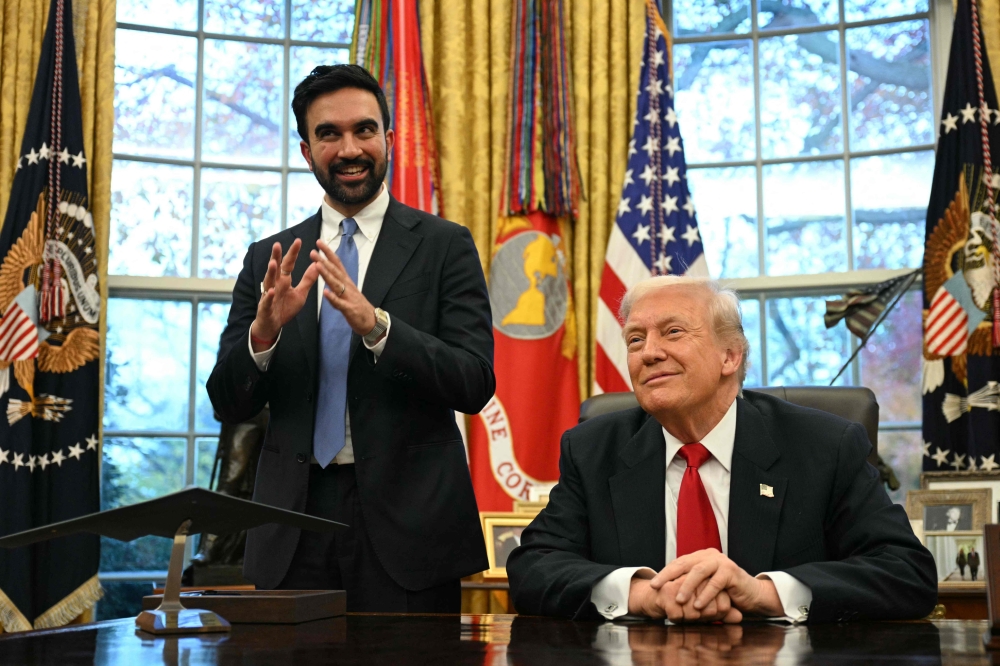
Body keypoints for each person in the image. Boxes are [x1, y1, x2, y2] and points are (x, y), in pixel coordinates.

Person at [207, 64, 495, 612]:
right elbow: (228, 401)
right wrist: (263, 334)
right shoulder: (270, 258)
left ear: (389, 138)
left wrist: (377, 327)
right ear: (305, 149)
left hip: (412, 531)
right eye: (329, 134)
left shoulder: (444, 246)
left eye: (364, 130)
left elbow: (474, 382)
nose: (349, 148)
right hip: (291, 526)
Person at [506, 275, 937, 622]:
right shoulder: (593, 449)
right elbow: (533, 567)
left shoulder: (824, 446)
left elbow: (906, 573)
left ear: (730, 356)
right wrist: (640, 595)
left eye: (672, 332)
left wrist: (763, 592)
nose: (649, 352)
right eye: (635, 340)